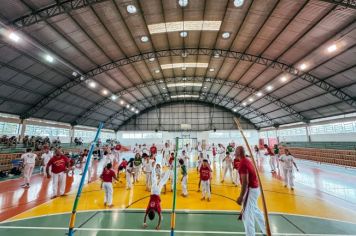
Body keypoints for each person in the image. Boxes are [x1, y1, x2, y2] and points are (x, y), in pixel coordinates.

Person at [236, 146, 266, 236]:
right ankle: (266, 230)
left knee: (247, 215)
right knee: (255, 210)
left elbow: (245, 182)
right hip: (255, 189)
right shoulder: (247, 160)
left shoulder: (242, 164)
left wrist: (241, 197)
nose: (234, 153)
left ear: (239, 153)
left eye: (236, 151)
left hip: (250, 190)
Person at [143, 162, 170, 230]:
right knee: (154, 180)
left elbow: (160, 217)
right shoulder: (148, 208)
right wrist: (144, 223)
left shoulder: (157, 208)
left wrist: (158, 226)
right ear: (149, 212)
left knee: (162, 182)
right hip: (152, 192)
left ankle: (169, 170)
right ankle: (153, 167)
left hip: (157, 192)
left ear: (154, 213)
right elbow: (145, 215)